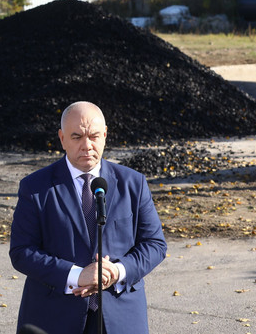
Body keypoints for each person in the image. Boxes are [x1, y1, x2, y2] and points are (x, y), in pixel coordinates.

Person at [9, 101, 167, 334]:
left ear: (105, 135)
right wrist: (76, 275)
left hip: (121, 317)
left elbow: (155, 244)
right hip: (54, 317)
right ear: (62, 139)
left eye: (94, 136)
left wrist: (117, 271)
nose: (87, 145)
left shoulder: (133, 183)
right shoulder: (35, 187)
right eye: (76, 137)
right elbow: (22, 252)